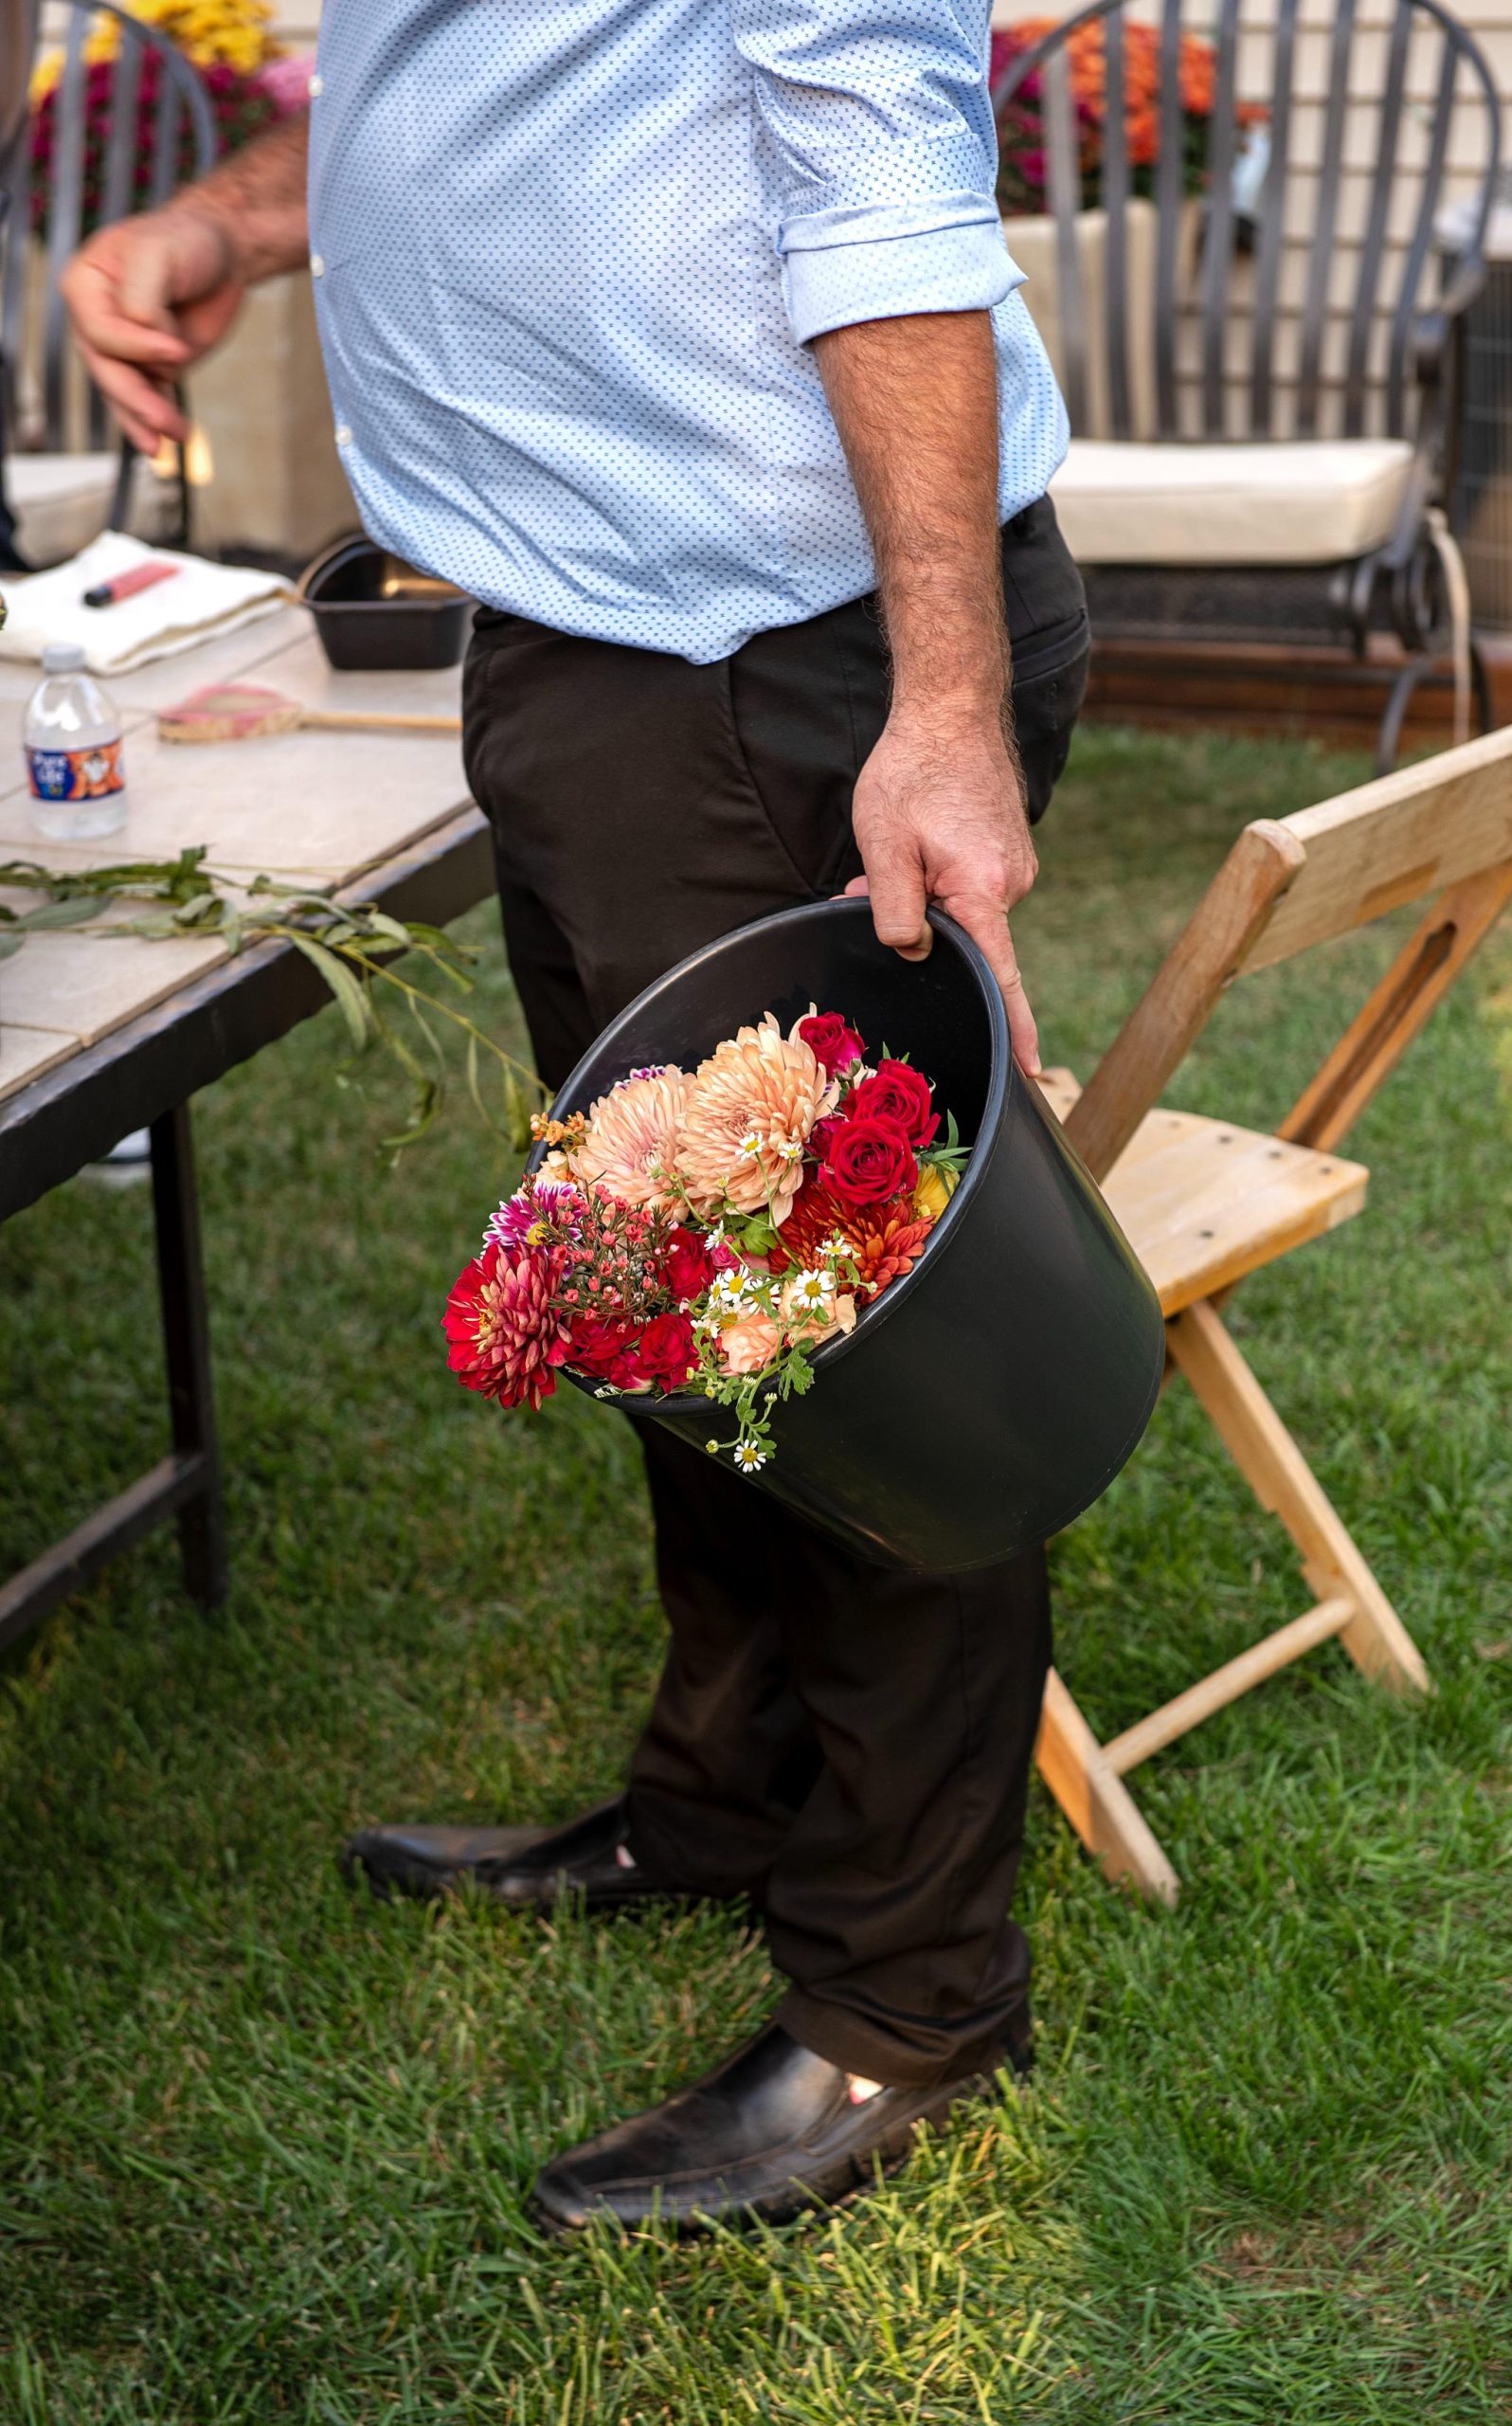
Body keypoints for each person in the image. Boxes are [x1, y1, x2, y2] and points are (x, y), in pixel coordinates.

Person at [62, 0, 1088, 2236]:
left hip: (782, 650)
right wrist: (239, 215)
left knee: (840, 1338)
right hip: (592, 636)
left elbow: (885, 164)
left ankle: (908, 1988)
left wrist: (940, 701)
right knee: (665, 1297)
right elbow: (496, 75)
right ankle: (723, 1796)